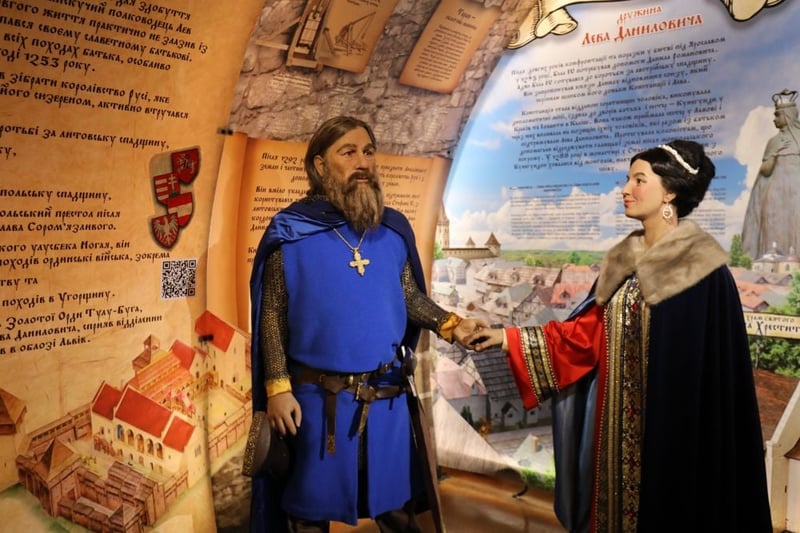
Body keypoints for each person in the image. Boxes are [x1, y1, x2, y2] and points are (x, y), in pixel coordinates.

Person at [466, 140, 772, 532]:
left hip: (675, 438)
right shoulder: (624, 265)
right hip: (616, 440)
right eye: (628, 179)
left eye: (639, 180)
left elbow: (711, 382)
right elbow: (583, 337)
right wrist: (504, 337)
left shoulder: (703, 272)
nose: (625, 189)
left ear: (670, 192)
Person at [248, 115, 484, 532]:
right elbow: (272, 315)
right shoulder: (291, 231)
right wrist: (278, 389)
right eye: (349, 152)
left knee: (395, 507)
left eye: (368, 152)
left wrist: (452, 324)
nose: (363, 162)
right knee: (308, 511)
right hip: (318, 402)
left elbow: (409, 297)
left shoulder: (391, 230)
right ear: (320, 165)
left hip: (385, 399)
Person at [741, 88, 800, 259]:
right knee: (773, 226)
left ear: (787, 116)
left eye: (777, 115)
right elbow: (765, 170)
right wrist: (774, 154)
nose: (774, 119)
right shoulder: (773, 142)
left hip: (796, 192)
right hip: (775, 194)